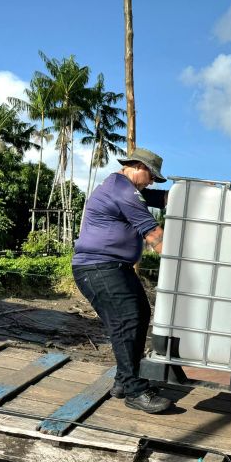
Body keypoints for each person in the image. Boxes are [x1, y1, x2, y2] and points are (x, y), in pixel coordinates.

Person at [72, 148, 173, 414]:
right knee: (126, 321)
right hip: (99, 268)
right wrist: (187, 262)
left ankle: (122, 380)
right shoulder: (123, 190)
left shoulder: (126, 188)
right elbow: (152, 233)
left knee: (139, 314)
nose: (151, 181)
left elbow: (163, 199)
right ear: (138, 166)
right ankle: (135, 391)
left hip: (112, 267)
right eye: (151, 176)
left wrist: (196, 195)